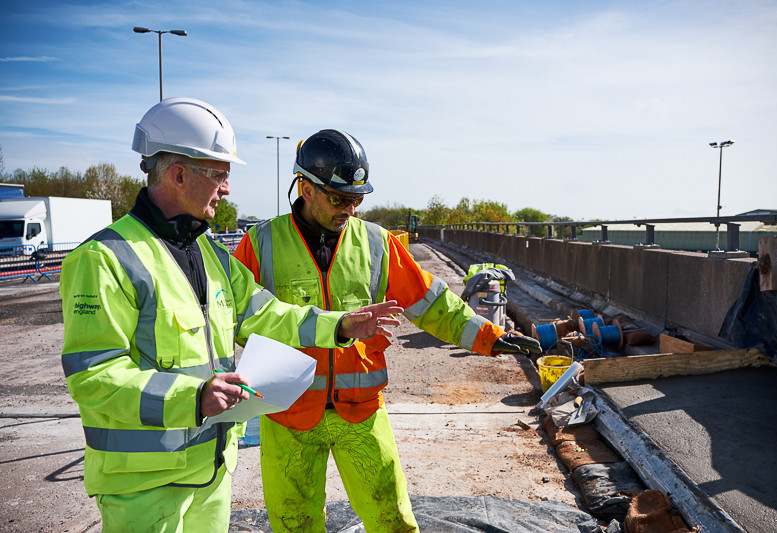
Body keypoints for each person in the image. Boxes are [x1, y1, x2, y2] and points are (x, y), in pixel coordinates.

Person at [59, 99, 402, 533]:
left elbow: (267, 315)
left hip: (211, 473)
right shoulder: (105, 259)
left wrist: (340, 325)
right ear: (179, 174)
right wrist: (192, 398)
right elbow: (93, 376)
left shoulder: (211, 256)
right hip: (144, 485)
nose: (226, 188)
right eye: (219, 174)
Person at [233, 129, 542, 532]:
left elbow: (431, 302)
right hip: (288, 415)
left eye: (357, 199)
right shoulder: (260, 243)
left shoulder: (376, 243)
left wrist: (490, 336)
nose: (350, 209)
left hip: (361, 411)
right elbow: (238, 320)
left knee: (392, 520)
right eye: (339, 198)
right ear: (306, 189)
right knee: (295, 524)